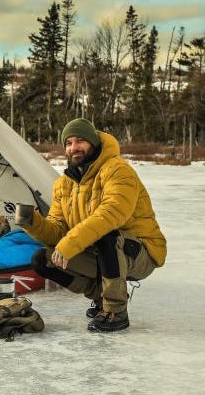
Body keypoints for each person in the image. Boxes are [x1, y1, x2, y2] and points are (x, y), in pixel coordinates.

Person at [19, 119, 166, 332]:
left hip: (140, 251)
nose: (73, 147)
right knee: (43, 260)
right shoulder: (64, 184)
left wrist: (70, 243)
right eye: (68, 143)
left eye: (80, 141)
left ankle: (116, 311)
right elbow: (58, 228)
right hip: (100, 250)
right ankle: (101, 300)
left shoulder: (118, 170)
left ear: (94, 143)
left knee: (108, 236)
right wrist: (33, 223)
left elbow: (111, 214)